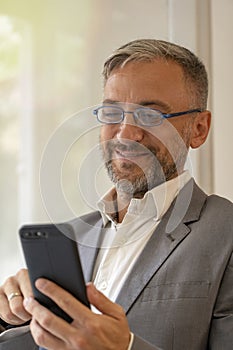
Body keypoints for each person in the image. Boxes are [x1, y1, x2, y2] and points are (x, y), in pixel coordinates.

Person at [0, 39, 232, 350]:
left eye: (150, 116)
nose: (125, 133)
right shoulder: (72, 238)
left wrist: (125, 348)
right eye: (112, 112)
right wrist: (10, 316)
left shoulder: (225, 234)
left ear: (199, 129)